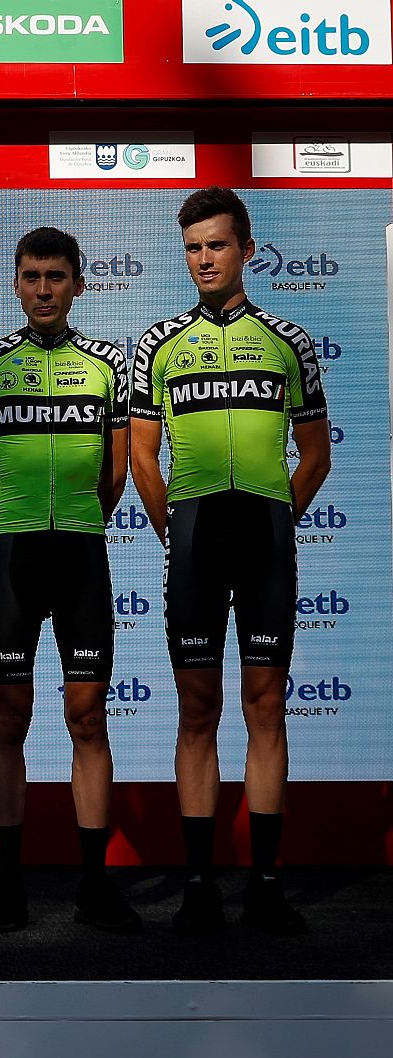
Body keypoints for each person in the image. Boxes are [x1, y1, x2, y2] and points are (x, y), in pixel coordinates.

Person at [130, 186, 330, 935]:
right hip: (195, 538)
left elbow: (314, 455)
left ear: (248, 248)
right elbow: (142, 456)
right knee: (196, 709)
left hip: (265, 539)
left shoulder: (290, 339)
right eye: (192, 247)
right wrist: (173, 531)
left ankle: (268, 882)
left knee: (266, 706)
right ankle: (198, 883)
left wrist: (277, 520)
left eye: (217, 244)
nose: (204, 259)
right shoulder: (158, 343)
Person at [0, 226, 140, 934]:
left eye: (56, 277)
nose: (42, 289)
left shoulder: (105, 364)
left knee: (88, 718)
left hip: (82, 558)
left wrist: (83, 524)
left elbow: (116, 470)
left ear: (77, 285)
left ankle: (95, 885)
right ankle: (8, 886)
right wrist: (1, 534)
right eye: (31, 276)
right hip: (13, 558)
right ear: (15, 283)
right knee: (10, 717)